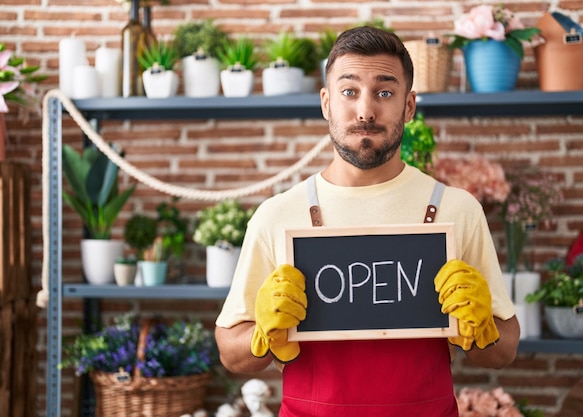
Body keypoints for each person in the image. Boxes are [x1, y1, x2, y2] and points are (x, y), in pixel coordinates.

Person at [215, 25, 520, 417]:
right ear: (326, 102)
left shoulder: (456, 209)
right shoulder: (277, 215)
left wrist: (483, 332)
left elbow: (505, 350)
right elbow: (230, 351)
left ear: (409, 106)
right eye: (349, 91)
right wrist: (261, 334)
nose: (365, 110)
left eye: (385, 92)